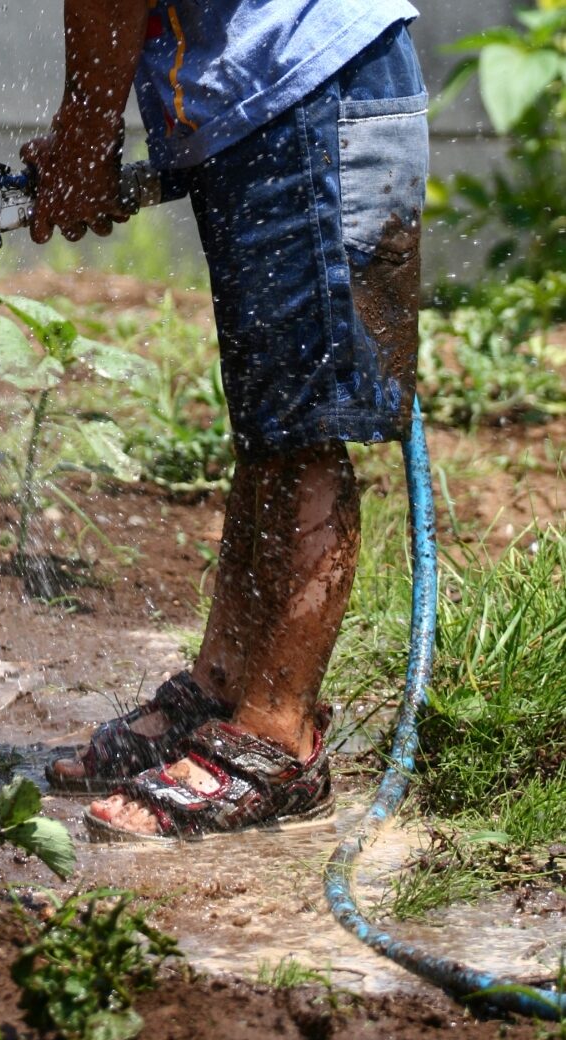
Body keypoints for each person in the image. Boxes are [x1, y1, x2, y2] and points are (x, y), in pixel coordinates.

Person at [21, 0, 428, 838]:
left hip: (309, 92)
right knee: (271, 430)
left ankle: (276, 738)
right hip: (272, 100)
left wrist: (85, 142)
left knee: (300, 438)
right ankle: (225, 687)